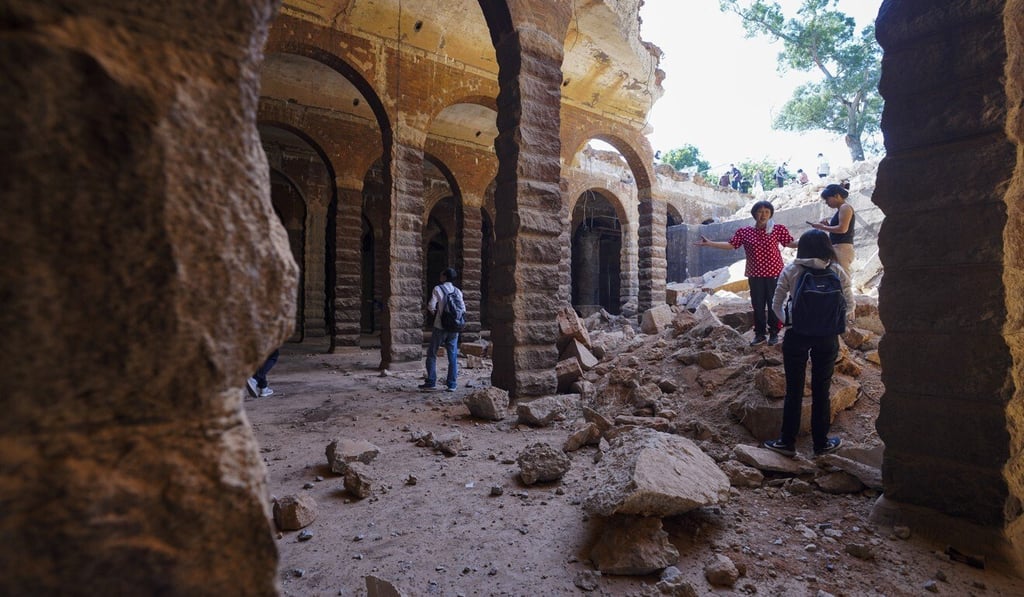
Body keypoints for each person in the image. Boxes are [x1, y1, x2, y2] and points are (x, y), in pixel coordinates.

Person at [763, 229, 855, 458]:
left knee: (794, 390)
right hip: (827, 336)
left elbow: (776, 304)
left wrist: (791, 323)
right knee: (821, 390)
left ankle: (787, 442)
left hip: (797, 336)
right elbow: (850, 304)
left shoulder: (792, 269)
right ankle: (821, 443)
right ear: (827, 247)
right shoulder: (836, 270)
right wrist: (832, 323)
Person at [695, 200, 796, 346]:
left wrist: (811, 239)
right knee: (758, 305)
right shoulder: (745, 232)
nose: (763, 215)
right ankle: (760, 334)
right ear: (754, 213)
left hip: (774, 273)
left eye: (767, 212)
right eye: (760, 211)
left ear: (771, 214)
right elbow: (731, 245)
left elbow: (790, 243)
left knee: (774, 304)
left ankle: (774, 333)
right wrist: (710, 243)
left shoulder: (778, 229)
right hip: (754, 274)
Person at [420, 267, 465, 392]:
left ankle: (431, 382)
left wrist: (437, 314)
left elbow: (431, 306)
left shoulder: (438, 288)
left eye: (441, 275)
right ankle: (452, 384)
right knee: (453, 356)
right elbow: (463, 309)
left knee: (432, 354)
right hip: (454, 328)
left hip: (440, 326)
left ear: (445, 277)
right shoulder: (457, 291)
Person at [809, 182, 855, 276]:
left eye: (827, 199)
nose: (826, 202)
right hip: (839, 247)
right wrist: (828, 226)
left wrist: (823, 227)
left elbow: (843, 229)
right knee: (839, 278)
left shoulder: (845, 207)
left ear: (837, 196)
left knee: (843, 280)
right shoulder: (842, 208)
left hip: (842, 248)